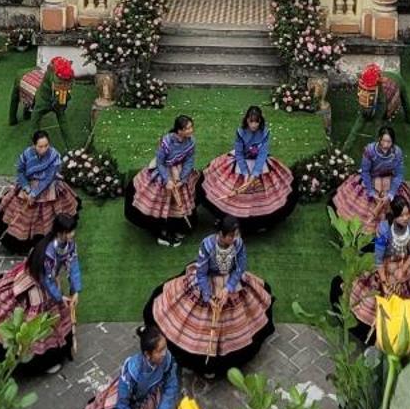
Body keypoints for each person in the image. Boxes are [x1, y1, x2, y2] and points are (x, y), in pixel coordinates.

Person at [147, 215, 275, 376]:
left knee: (239, 317)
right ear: (221, 234)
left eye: (236, 234)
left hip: (231, 281)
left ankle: (226, 357)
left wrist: (228, 288)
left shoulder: (238, 243)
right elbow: (201, 273)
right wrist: (208, 297)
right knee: (199, 323)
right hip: (207, 280)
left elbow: (240, 267)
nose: (234, 238)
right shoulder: (207, 245)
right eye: (231, 235)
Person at [0, 213, 80, 377]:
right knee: (34, 323)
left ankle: (50, 356)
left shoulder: (68, 244)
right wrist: (60, 297)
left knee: (53, 319)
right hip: (37, 287)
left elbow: (73, 263)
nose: (73, 235)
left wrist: (76, 290)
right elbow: (46, 280)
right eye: (70, 232)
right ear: (60, 232)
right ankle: (34, 361)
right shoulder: (47, 252)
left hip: (50, 284)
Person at [339, 199, 410, 343]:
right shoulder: (384, 230)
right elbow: (379, 259)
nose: (406, 218)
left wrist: (403, 269)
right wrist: (385, 282)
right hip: (383, 270)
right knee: (376, 307)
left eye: (407, 214)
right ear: (394, 215)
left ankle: (403, 336)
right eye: (402, 215)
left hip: (402, 269)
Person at [199, 104, 295, 232]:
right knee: (233, 195)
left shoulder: (265, 132)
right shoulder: (240, 132)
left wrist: (255, 173)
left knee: (261, 195)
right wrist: (245, 173)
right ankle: (228, 219)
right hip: (241, 162)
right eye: (251, 121)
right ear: (247, 120)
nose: (253, 125)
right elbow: (239, 153)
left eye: (256, 122)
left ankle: (258, 223)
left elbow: (262, 154)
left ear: (260, 121)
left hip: (259, 164)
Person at [0, 130, 79, 253]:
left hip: (48, 185)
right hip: (29, 183)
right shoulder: (27, 154)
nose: (44, 149)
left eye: (46, 145)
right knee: (9, 208)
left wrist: (34, 194)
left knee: (48, 213)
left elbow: (48, 178)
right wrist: (26, 189)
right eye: (40, 146)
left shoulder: (54, 155)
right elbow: (20, 172)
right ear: (34, 145)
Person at [124, 114, 198, 245]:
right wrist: (167, 180)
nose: (191, 130)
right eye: (187, 128)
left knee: (181, 202)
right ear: (179, 131)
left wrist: (182, 179)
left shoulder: (191, 141)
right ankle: (161, 231)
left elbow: (189, 160)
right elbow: (160, 162)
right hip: (164, 171)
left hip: (179, 172)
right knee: (160, 202)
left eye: (191, 127)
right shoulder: (167, 142)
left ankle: (177, 227)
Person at [332, 128, 410, 225]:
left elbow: (399, 174)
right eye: (384, 141)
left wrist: (391, 194)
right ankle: (369, 226)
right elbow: (365, 172)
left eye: (389, 142)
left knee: (389, 198)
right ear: (379, 139)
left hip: (389, 179)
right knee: (369, 202)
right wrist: (372, 192)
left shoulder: (397, 152)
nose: (386, 145)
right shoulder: (370, 150)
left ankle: (390, 225)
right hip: (371, 178)